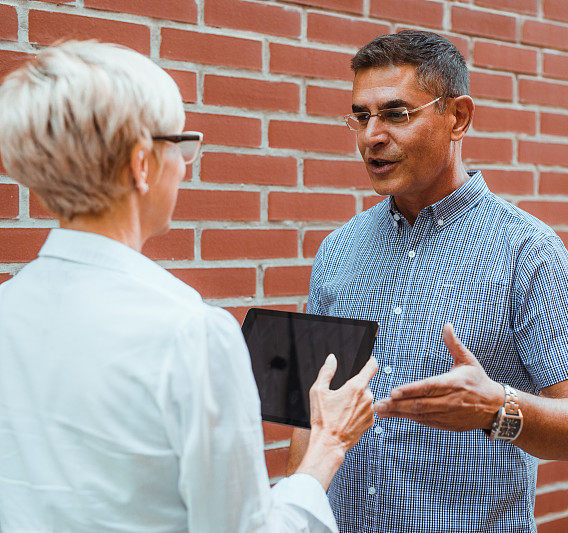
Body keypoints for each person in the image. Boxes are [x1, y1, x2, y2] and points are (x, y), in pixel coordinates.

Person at [0, 41, 377, 532]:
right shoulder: (189, 334)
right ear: (141, 163)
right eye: (179, 145)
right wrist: (326, 446)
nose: (185, 164)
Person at [288, 30, 568, 532]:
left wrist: (495, 407)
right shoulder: (337, 251)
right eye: (361, 115)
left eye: (396, 114)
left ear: (457, 117)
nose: (371, 135)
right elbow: (312, 416)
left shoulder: (526, 249)